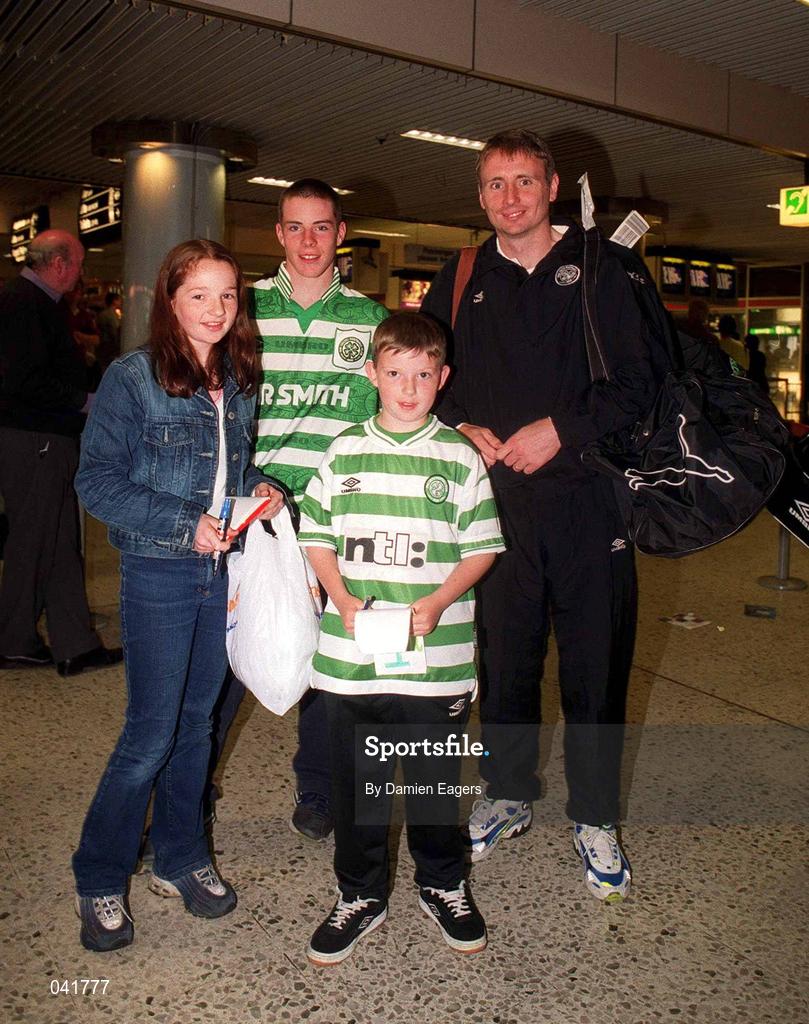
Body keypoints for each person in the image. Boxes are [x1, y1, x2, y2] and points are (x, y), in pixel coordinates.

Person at [421, 129, 664, 902]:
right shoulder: (463, 275)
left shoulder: (603, 267)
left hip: (590, 503)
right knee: (506, 661)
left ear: (552, 186)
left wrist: (557, 429)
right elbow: (429, 375)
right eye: (494, 184)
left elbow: (643, 380)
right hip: (497, 512)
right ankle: (507, 792)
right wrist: (460, 425)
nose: (508, 198)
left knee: (594, 668)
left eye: (522, 181)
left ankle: (594, 817)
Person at [71, 239, 285, 952]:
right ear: (170, 300)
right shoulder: (134, 378)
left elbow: (230, 464)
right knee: (149, 735)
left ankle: (180, 857)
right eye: (199, 295)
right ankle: (100, 876)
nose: (216, 310)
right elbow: (96, 481)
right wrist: (179, 522)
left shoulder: (240, 377)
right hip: (160, 571)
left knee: (199, 727)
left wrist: (255, 487)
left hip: (223, 571)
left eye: (228, 296)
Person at [298, 312, 505, 964]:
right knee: (357, 785)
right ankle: (359, 895)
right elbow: (317, 536)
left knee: (434, 782)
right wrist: (339, 597)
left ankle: (442, 884)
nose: (408, 388)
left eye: (422, 375)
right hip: (351, 658)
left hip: (434, 664)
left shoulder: (457, 456)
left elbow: (480, 549)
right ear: (372, 374)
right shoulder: (343, 451)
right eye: (395, 374)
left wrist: (439, 600)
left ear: (442, 378)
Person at [247, 179, 389, 841]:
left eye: (321, 227)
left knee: (329, 662)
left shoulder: (367, 319)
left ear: (340, 232)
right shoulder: (242, 309)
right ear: (278, 232)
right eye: (295, 227)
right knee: (229, 654)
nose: (308, 241)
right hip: (256, 514)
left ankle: (319, 788)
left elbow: (387, 412)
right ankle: (184, 792)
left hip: (335, 517)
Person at [0, 229, 122, 676]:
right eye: (78, 264)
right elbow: (23, 380)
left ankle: (74, 644)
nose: (82, 273)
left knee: (57, 540)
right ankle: (14, 640)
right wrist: (84, 400)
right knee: (34, 540)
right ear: (58, 264)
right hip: (36, 438)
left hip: (40, 437)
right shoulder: (23, 304)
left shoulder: (32, 302)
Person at [96, 290, 122, 370]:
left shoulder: (104, 313)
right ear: (114, 301)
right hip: (109, 348)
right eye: (119, 300)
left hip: (103, 347)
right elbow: (114, 332)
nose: (120, 302)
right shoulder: (111, 315)